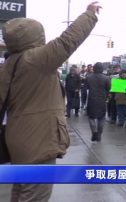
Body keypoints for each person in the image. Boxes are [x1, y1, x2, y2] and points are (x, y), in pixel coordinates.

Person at [0, 2, 101, 201]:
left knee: (21, 191)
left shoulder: (11, 63)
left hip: (18, 139)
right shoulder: (36, 60)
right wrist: (89, 14)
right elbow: (67, 41)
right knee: (35, 195)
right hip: (37, 141)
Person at [86, 62, 110, 142]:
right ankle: (99, 134)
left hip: (92, 100)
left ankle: (94, 132)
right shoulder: (106, 78)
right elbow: (108, 89)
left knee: (91, 117)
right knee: (101, 118)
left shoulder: (89, 77)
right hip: (102, 100)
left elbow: (86, 87)